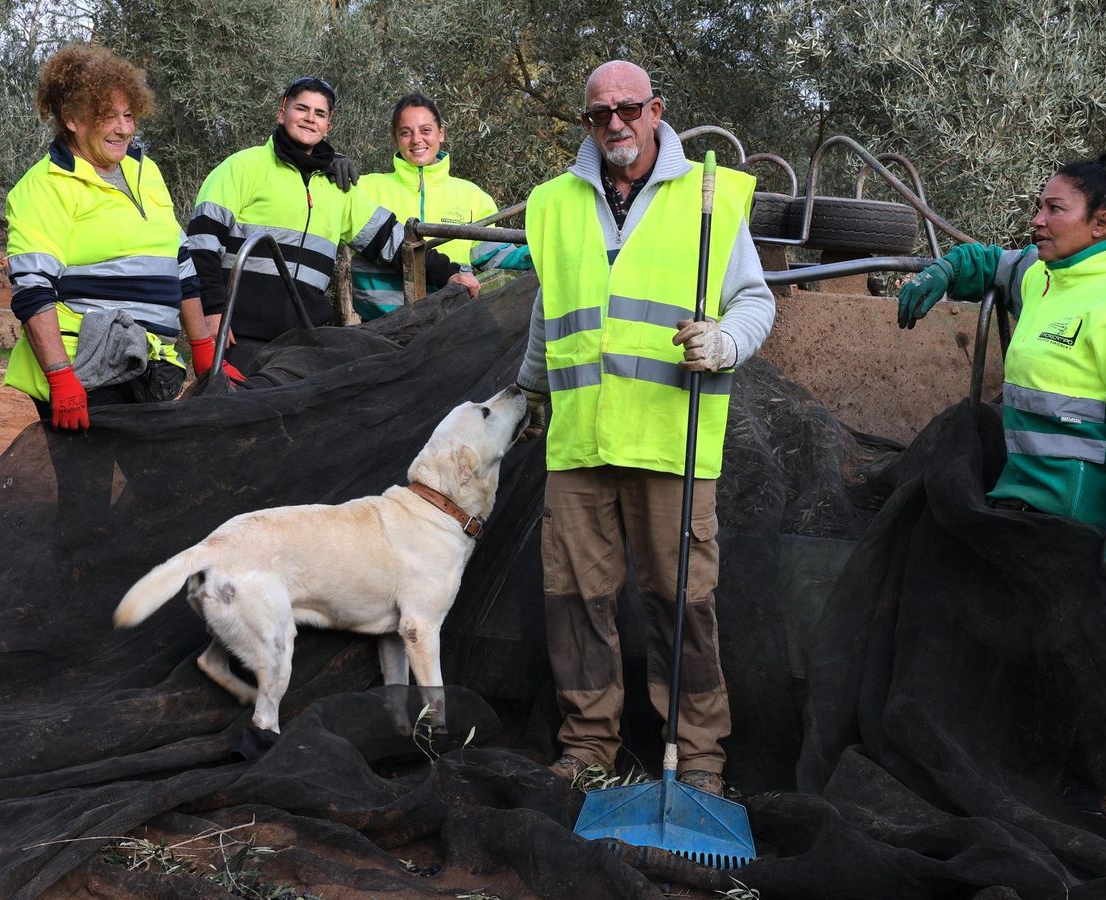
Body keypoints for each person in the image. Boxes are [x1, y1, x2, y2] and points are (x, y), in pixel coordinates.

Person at [515, 61, 776, 797]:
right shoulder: (555, 203)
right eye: (600, 114)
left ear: (656, 109)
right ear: (588, 122)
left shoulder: (710, 199)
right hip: (579, 443)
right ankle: (587, 746)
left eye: (629, 109)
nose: (616, 124)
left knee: (680, 602)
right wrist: (531, 390)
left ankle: (696, 759)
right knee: (574, 602)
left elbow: (754, 301)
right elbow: (549, 312)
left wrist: (725, 342)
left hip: (670, 441)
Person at [896, 138, 1106, 583]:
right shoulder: (1042, 276)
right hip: (1030, 504)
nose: (1037, 220)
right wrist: (946, 271)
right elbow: (991, 261)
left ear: (1101, 224)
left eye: (1054, 209)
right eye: (1039, 207)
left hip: (1085, 528)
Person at [185, 79, 477, 371]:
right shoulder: (242, 167)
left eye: (320, 113)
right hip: (237, 337)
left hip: (302, 344)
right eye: (302, 109)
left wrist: (451, 273)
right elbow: (201, 244)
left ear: (328, 125)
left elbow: (392, 241)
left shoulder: (338, 187)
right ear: (281, 112)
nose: (310, 118)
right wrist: (211, 311)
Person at [3, 44, 214, 429]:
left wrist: (203, 347)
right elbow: (32, 290)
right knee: (91, 487)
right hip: (85, 368)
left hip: (148, 362)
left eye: (129, 114)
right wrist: (60, 377)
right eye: (107, 116)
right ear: (71, 119)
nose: (125, 128)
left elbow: (179, 263)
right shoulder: (45, 187)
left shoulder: (144, 171)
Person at [352, 94, 533, 322]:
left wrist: (538, 253)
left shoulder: (472, 196)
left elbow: (493, 255)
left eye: (425, 130)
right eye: (406, 132)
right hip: (380, 328)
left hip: (450, 329)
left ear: (441, 133)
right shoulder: (366, 188)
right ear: (395, 137)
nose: (416, 140)